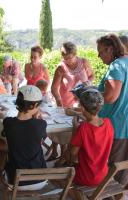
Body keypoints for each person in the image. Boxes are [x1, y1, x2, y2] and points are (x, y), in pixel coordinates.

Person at [97, 34, 128, 185]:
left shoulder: (117, 65)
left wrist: (91, 94)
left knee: (113, 171)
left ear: (110, 49)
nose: (98, 56)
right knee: (124, 169)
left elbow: (110, 97)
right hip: (124, 123)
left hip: (117, 125)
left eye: (101, 51)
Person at [2, 85, 47, 190]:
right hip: (40, 179)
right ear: (34, 105)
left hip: (15, 181)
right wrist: (36, 119)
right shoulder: (41, 124)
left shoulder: (7, 122)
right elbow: (38, 143)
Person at [68, 86, 114, 188]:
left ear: (82, 108)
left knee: (60, 179)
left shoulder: (83, 128)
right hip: (103, 175)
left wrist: (75, 130)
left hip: (86, 177)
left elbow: (72, 153)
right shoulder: (108, 123)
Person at [51, 42, 94, 108]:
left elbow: (91, 76)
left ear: (75, 54)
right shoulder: (61, 67)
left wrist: (88, 82)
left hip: (83, 101)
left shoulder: (84, 62)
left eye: (70, 58)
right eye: (65, 59)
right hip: (66, 103)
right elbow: (54, 88)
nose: (68, 61)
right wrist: (58, 100)